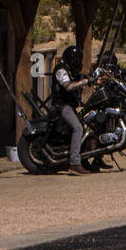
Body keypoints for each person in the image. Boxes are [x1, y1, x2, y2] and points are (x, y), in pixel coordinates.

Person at [53, 45, 94, 175]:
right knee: (78, 128)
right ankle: (74, 163)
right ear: (69, 59)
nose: (78, 62)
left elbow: (82, 78)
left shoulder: (73, 71)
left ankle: (92, 159)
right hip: (62, 106)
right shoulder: (61, 70)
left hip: (71, 105)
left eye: (79, 59)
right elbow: (68, 86)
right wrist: (86, 81)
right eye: (75, 59)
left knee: (91, 124)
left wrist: (97, 80)